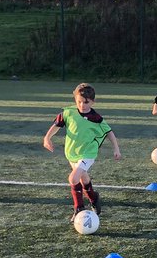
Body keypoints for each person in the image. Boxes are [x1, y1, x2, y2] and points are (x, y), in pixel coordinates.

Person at [43, 83, 121, 221]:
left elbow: (109, 133)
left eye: (86, 102)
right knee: (83, 178)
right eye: (79, 101)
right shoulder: (68, 113)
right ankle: (94, 197)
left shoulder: (96, 118)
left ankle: (79, 208)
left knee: (73, 178)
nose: (82, 105)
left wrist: (116, 148)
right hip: (72, 153)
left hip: (88, 153)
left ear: (92, 102)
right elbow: (56, 125)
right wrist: (47, 138)